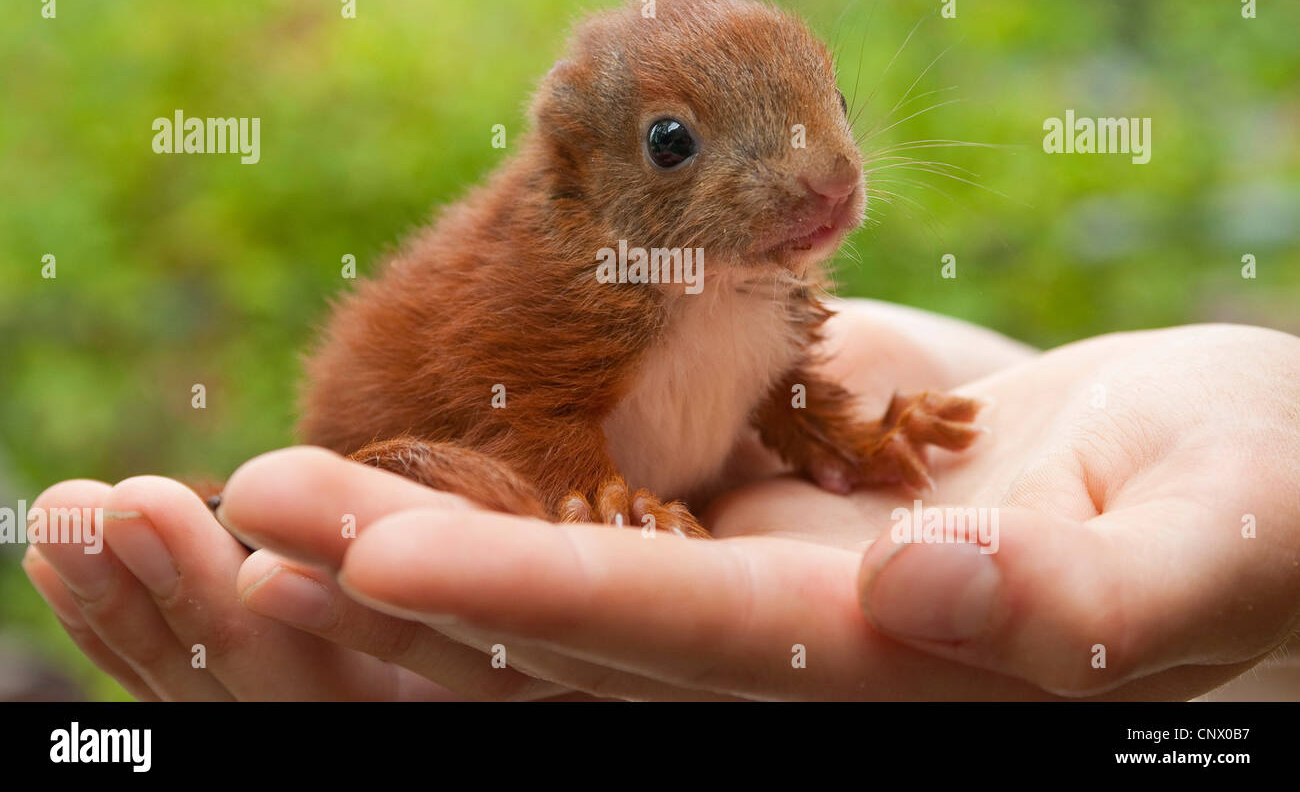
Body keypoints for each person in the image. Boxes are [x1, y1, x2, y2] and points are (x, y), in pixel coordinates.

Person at [23, 300, 1300, 700]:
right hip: (442, 449)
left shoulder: (751, 289)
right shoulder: (569, 286)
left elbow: (774, 388)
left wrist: (862, 429)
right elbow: (526, 394)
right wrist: (600, 491)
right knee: (395, 501)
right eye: (682, 149)